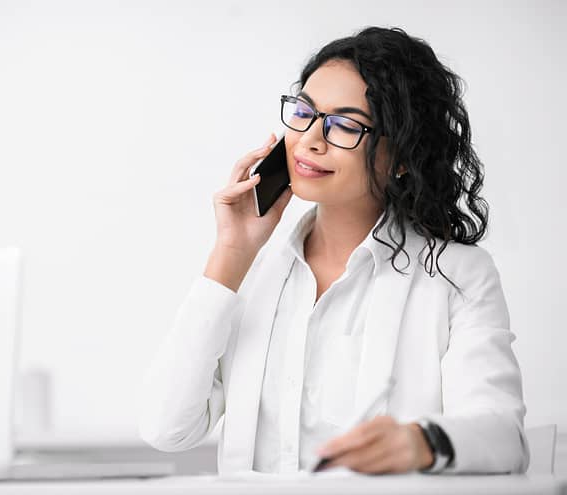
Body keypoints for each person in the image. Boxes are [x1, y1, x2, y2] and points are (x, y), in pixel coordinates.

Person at [138, 26, 528, 475]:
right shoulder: (252, 270)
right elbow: (167, 429)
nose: (311, 139)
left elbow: (504, 437)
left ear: (400, 155)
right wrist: (231, 251)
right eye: (304, 112)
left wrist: (420, 442)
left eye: (344, 124)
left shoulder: (456, 274)